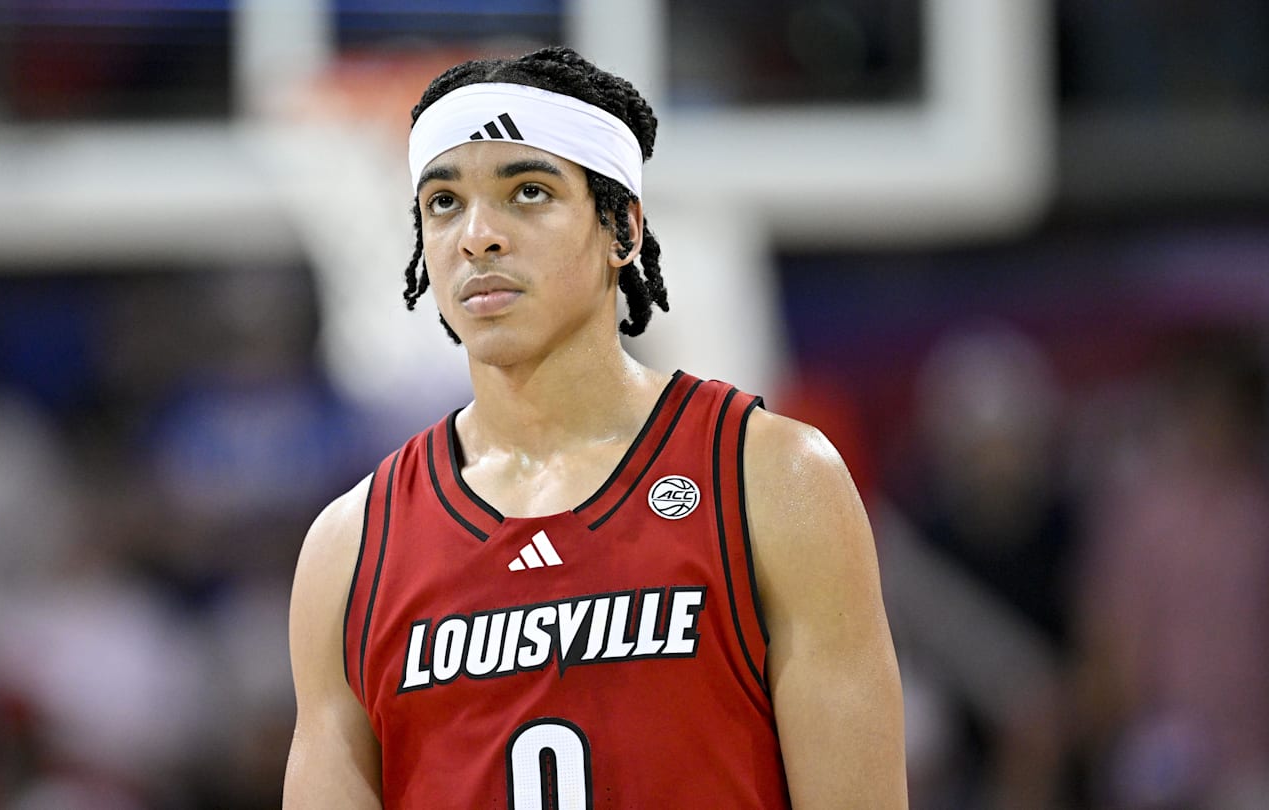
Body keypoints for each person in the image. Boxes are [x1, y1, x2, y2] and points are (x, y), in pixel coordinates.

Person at [283, 46, 906, 808]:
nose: (477, 235)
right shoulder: (351, 550)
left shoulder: (771, 479)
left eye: (529, 192)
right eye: (444, 202)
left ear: (624, 229)